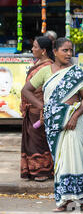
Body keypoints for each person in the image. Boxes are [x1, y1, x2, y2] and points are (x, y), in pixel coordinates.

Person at [21, 38, 83, 212]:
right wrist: (43, 106)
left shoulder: (77, 72)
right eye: (65, 50)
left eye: (71, 50)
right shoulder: (45, 71)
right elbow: (26, 90)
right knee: (60, 161)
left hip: (74, 123)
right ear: (54, 51)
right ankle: (63, 200)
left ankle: (81, 199)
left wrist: (75, 116)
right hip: (54, 122)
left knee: (77, 159)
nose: (69, 54)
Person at [20, 36, 55, 182]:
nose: (32, 49)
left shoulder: (48, 66)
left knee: (38, 141)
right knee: (31, 141)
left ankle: (42, 171)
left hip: (39, 109)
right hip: (31, 109)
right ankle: (32, 170)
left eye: (35, 47)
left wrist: (41, 107)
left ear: (44, 50)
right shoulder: (38, 63)